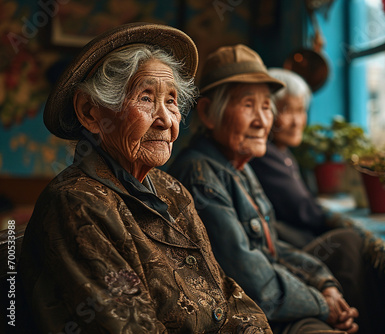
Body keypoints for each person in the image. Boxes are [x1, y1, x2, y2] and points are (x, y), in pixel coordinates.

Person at [16, 23, 272, 334]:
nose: (165, 120)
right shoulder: (77, 204)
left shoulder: (171, 190)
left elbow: (225, 292)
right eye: (147, 98)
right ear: (90, 113)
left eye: (172, 101)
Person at [168, 44, 360, 334]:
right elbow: (254, 282)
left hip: (269, 304)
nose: (262, 121)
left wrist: (324, 284)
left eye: (267, 107)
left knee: (345, 257)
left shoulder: (238, 165)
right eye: (248, 105)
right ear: (208, 113)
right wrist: (322, 304)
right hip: (242, 315)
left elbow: (271, 247)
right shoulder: (200, 175)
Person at [249, 68, 352, 249]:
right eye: (288, 111)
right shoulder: (264, 155)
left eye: (301, 110)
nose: (297, 122)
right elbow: (301, 209)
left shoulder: (283, 153)